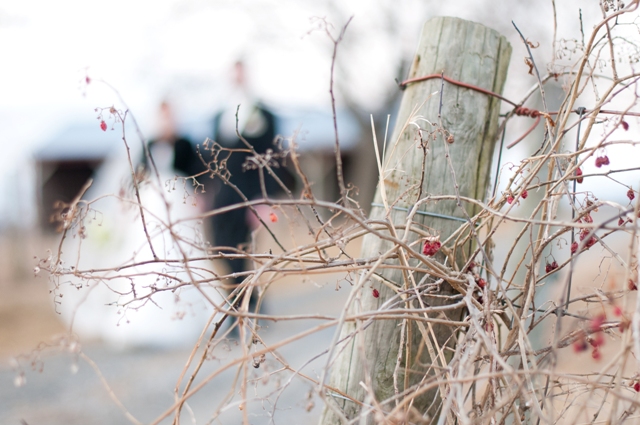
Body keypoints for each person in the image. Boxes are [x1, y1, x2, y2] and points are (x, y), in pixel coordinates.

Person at [209, 60, 288, 313]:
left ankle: (243, 308)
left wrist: (265, 200)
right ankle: (246, 301)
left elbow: (272, 158)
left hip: (250, 196)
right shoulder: (219, 116)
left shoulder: (264, 115)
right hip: (224, 196)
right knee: (222, 248)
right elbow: (215, 159)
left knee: (243, 252)